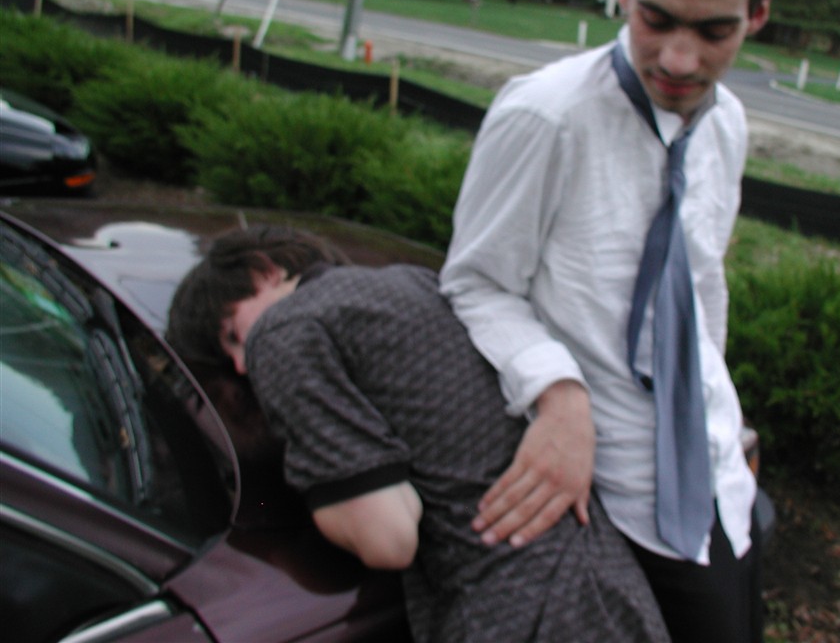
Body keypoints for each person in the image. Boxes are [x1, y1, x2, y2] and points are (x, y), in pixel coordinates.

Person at [439, 0, 783, 641]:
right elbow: (475, 282)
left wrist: (719, 407)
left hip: (717, 473)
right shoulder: (546, 115)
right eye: (655, 19)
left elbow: (700, 280)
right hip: (611, 493)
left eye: (716, 31)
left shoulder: (727, 124)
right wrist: (559, 394)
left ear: (758, 14)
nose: (680, 58)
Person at [166, 226, 670, 643]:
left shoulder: (282, 333)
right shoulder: (415, 282)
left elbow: (388, 540)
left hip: (516, 616)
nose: (242, 364)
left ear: (264, 270)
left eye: (233, 333)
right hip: (611, 591)